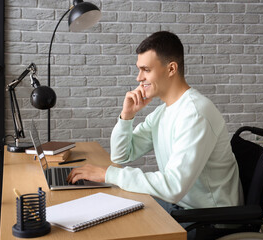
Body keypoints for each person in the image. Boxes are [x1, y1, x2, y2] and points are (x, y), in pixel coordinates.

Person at [67, 31, 243, 213]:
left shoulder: (196, 114)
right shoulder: (163, 112)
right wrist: (127, 116)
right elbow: (121, 156)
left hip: (208, 218)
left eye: (146, 70)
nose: (139, 78)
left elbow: (173, 187)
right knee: (106, 208)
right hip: (179, 207)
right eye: (139, 69)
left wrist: (107, 174)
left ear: (171, 69)